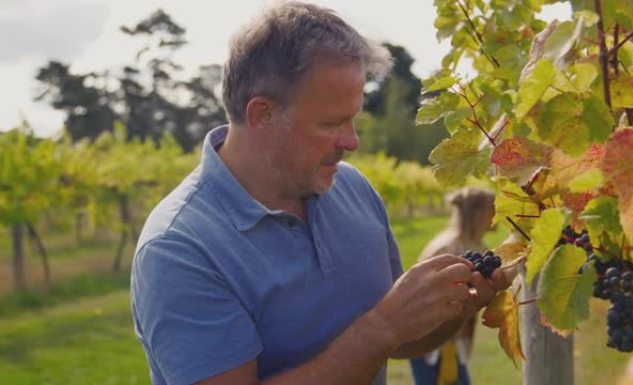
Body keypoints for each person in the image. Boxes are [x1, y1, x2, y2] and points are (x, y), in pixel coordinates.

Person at [130, 3, 509, 385]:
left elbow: (398, 341)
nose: (352, 141)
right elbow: (383, 334)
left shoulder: (353, 190)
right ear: (262, 114)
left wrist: (453, 308)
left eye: (354, 118)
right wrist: (381, 328)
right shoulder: (180, 247)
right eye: (332, 123)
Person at [409, 187, 496, 385]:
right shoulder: (447, 248)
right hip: (429, 339)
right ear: (479, 213)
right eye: (493, 208)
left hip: (451, 337)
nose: (498, 213)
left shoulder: (478, 247)